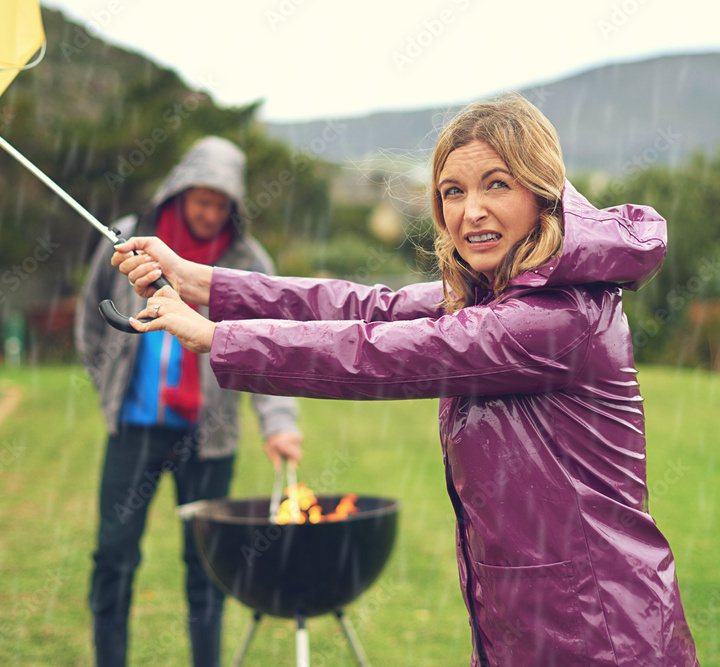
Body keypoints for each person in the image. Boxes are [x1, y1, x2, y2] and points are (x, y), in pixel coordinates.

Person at [111, 96, 698, 666]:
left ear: (543, 193)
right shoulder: (496, 295)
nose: (471, 212)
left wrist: (217, 337)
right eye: (453, 191)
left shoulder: (558, 317)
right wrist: (203, 283)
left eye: (497, 184)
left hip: (601, 635)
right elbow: (360, 307)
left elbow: (378, 354)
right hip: (528, 624)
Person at [75, 135, 303, 667]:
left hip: (209, 438)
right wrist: (106, 383)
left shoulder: (247, 261)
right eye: (202, 200)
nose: (210, 213)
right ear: (178, 192)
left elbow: (274, 350)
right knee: (114, 556)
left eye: (222, 204)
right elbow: (91, 320)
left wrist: (280, 424)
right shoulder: (129, 240)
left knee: (207, 568)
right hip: (134, 428)